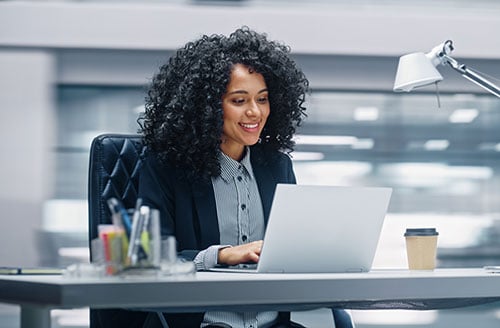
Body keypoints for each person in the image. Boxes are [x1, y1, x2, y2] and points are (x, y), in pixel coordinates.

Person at [93, 26, 351, 328]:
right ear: (207, 107)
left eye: (263, 99)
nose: (255, 112)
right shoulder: (167, 167)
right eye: (239, 101)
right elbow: (151, 262)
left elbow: (286, 252)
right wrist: (221, 255)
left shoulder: (277, 166)